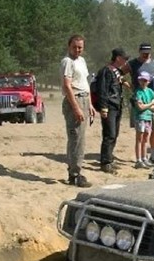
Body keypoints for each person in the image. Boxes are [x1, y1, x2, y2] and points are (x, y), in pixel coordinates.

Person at [60, 34, 94, 187]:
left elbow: (85, 83)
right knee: (76, 138)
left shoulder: (82, 61)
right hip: (75, 99)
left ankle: (76, 171)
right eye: (74, 47)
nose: (77, 50)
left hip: (84, 98)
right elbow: (67, 86)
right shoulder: (67, 62)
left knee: (81, 138)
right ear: (69, 46)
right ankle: (74, 174)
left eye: (80, 47)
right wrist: (76, 108)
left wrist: (90, 105)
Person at [95, 47, 129, 174]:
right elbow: (102, 90)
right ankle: (105, 162)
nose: (125, 61)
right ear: (118, 58)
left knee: (114, 134)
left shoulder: (117, 72)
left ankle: (109, 159)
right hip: (109, 107)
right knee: (109, 134)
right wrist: (103, 107)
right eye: (125, 58)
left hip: (117, 106)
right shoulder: (106, 71)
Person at [128, 42, 154, 163]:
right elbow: (120, 73)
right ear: (139, 52)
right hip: (141, 99)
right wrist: (129, 86)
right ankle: (140, 157)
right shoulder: (133, 63)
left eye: (148, 54)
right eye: (144, 54)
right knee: (141, 132)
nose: (146, 56)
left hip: (153, 99)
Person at [133, 71, 154, 169]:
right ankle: (138, 159)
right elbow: (140, 107)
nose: (143, 82)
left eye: (145, 80)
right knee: (139, 139)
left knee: (145, 138)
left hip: (148, 117)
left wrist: (147, 105)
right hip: (140, 117)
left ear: (148, 81)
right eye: (141, 80)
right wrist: (150, 105)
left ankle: (144, 158)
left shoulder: (150, 91)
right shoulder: (138, 92)